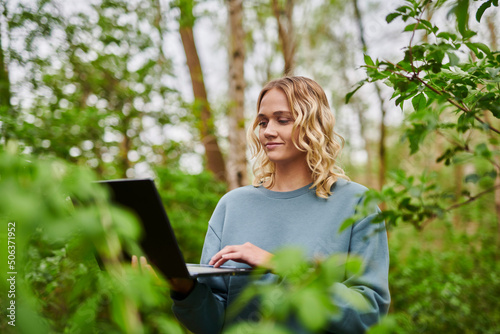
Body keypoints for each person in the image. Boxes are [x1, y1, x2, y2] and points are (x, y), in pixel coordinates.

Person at [137, 76, 390, 333]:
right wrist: (184, 290)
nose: (268, 131)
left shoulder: (357, 204)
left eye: (283, 120)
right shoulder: (232, 206)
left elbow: (369, 314)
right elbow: (212, 325)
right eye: (263, 121)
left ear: (313, 124)